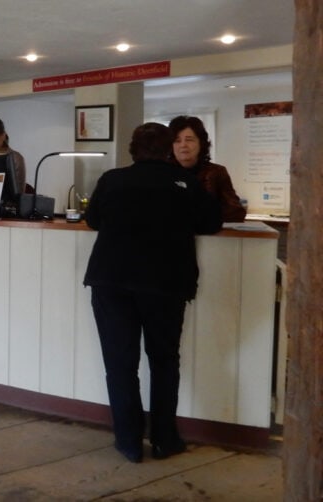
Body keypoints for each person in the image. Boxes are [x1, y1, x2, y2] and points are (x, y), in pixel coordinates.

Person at [83, 122, 222, 463]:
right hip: (165, 284)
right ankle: (164, 439)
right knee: (163, 361)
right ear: (167, 149)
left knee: (120, 364)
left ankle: (129, 442)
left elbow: (92, 220)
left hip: (111, 281)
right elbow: (211, 223)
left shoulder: (112, 180)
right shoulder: (185, 183)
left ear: (133, 150)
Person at [168, 115, 246, 222]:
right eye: (177, 141)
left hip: (209, 235)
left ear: (201, 143)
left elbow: (236, 212)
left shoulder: (217, 172)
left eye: (189, 140)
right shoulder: (164, 173)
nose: (183, 145)